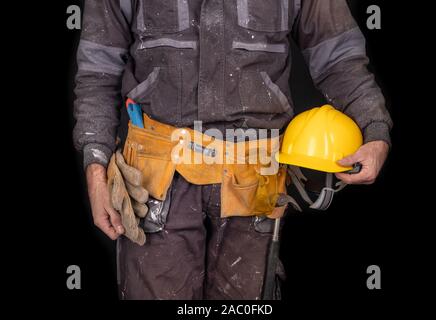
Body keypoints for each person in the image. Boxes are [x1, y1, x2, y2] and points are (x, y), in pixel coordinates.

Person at [73, 0, 392, 300]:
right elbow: (97, 72)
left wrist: (374, 128)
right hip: (156, 180)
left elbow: (338, 59)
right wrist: (95, 165)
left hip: (254, 182)